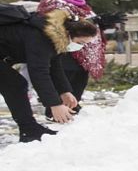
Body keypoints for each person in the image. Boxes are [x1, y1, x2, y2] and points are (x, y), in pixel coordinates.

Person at [0, 9, 98, 142]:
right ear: (70, 33)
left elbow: (54, 66)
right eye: (80, 43)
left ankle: (29, 129)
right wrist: (54, 104)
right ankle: (29, 130)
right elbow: (39, 72)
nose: (80, 47)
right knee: (15, 85)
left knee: (14, 84)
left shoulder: (54, 36)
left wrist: (64, 91)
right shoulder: (41, 37)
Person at [37, 0, 120, 116]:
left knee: (78, 84)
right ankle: (57, 112)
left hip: (81, 52)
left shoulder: (80, 5)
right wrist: (95, 21)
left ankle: (72, 108)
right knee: (66, 83)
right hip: (65, 53)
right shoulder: (53, 4)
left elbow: (85, 25)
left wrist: (101, 23)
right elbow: (65, 26)